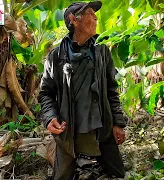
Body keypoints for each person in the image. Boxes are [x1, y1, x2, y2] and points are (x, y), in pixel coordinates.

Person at [38, 1, 126, 179]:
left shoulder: (102, 50)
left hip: (102, 126)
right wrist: (49, 117)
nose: (95, 17)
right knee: (62, 176)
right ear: (73, 20)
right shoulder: (56, 56)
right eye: (90, 13)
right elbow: (46, 93)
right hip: (69, 130)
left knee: (117, 174)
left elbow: (111, 89)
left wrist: (118, 122)